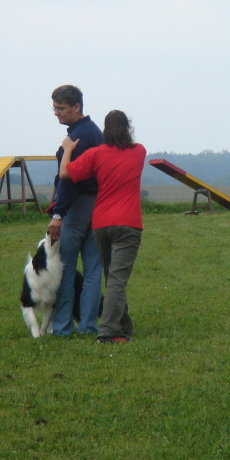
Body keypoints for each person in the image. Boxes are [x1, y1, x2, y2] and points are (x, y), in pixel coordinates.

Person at [59, 110, 146, 343]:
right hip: (128, 223)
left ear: (105, 131)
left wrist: (67, 149)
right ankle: (107, 332)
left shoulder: (96, 154)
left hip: (101, 224)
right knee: (117, 279)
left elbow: (64, 173)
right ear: (127, 127)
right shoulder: (139, 151)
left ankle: (124, 325)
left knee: (112, 277)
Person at [47, 85, 104, 336]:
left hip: (77, 205)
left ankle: (62, 328)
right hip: (98, 205)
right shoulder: (95, 132)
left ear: (76, 107)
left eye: (60, 108)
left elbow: (69, 179)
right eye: (54, 108)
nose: (56, 113)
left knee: (65, 268)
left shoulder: (77, 137)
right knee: (93, 271)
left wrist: (58, 214)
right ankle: (89, 326)